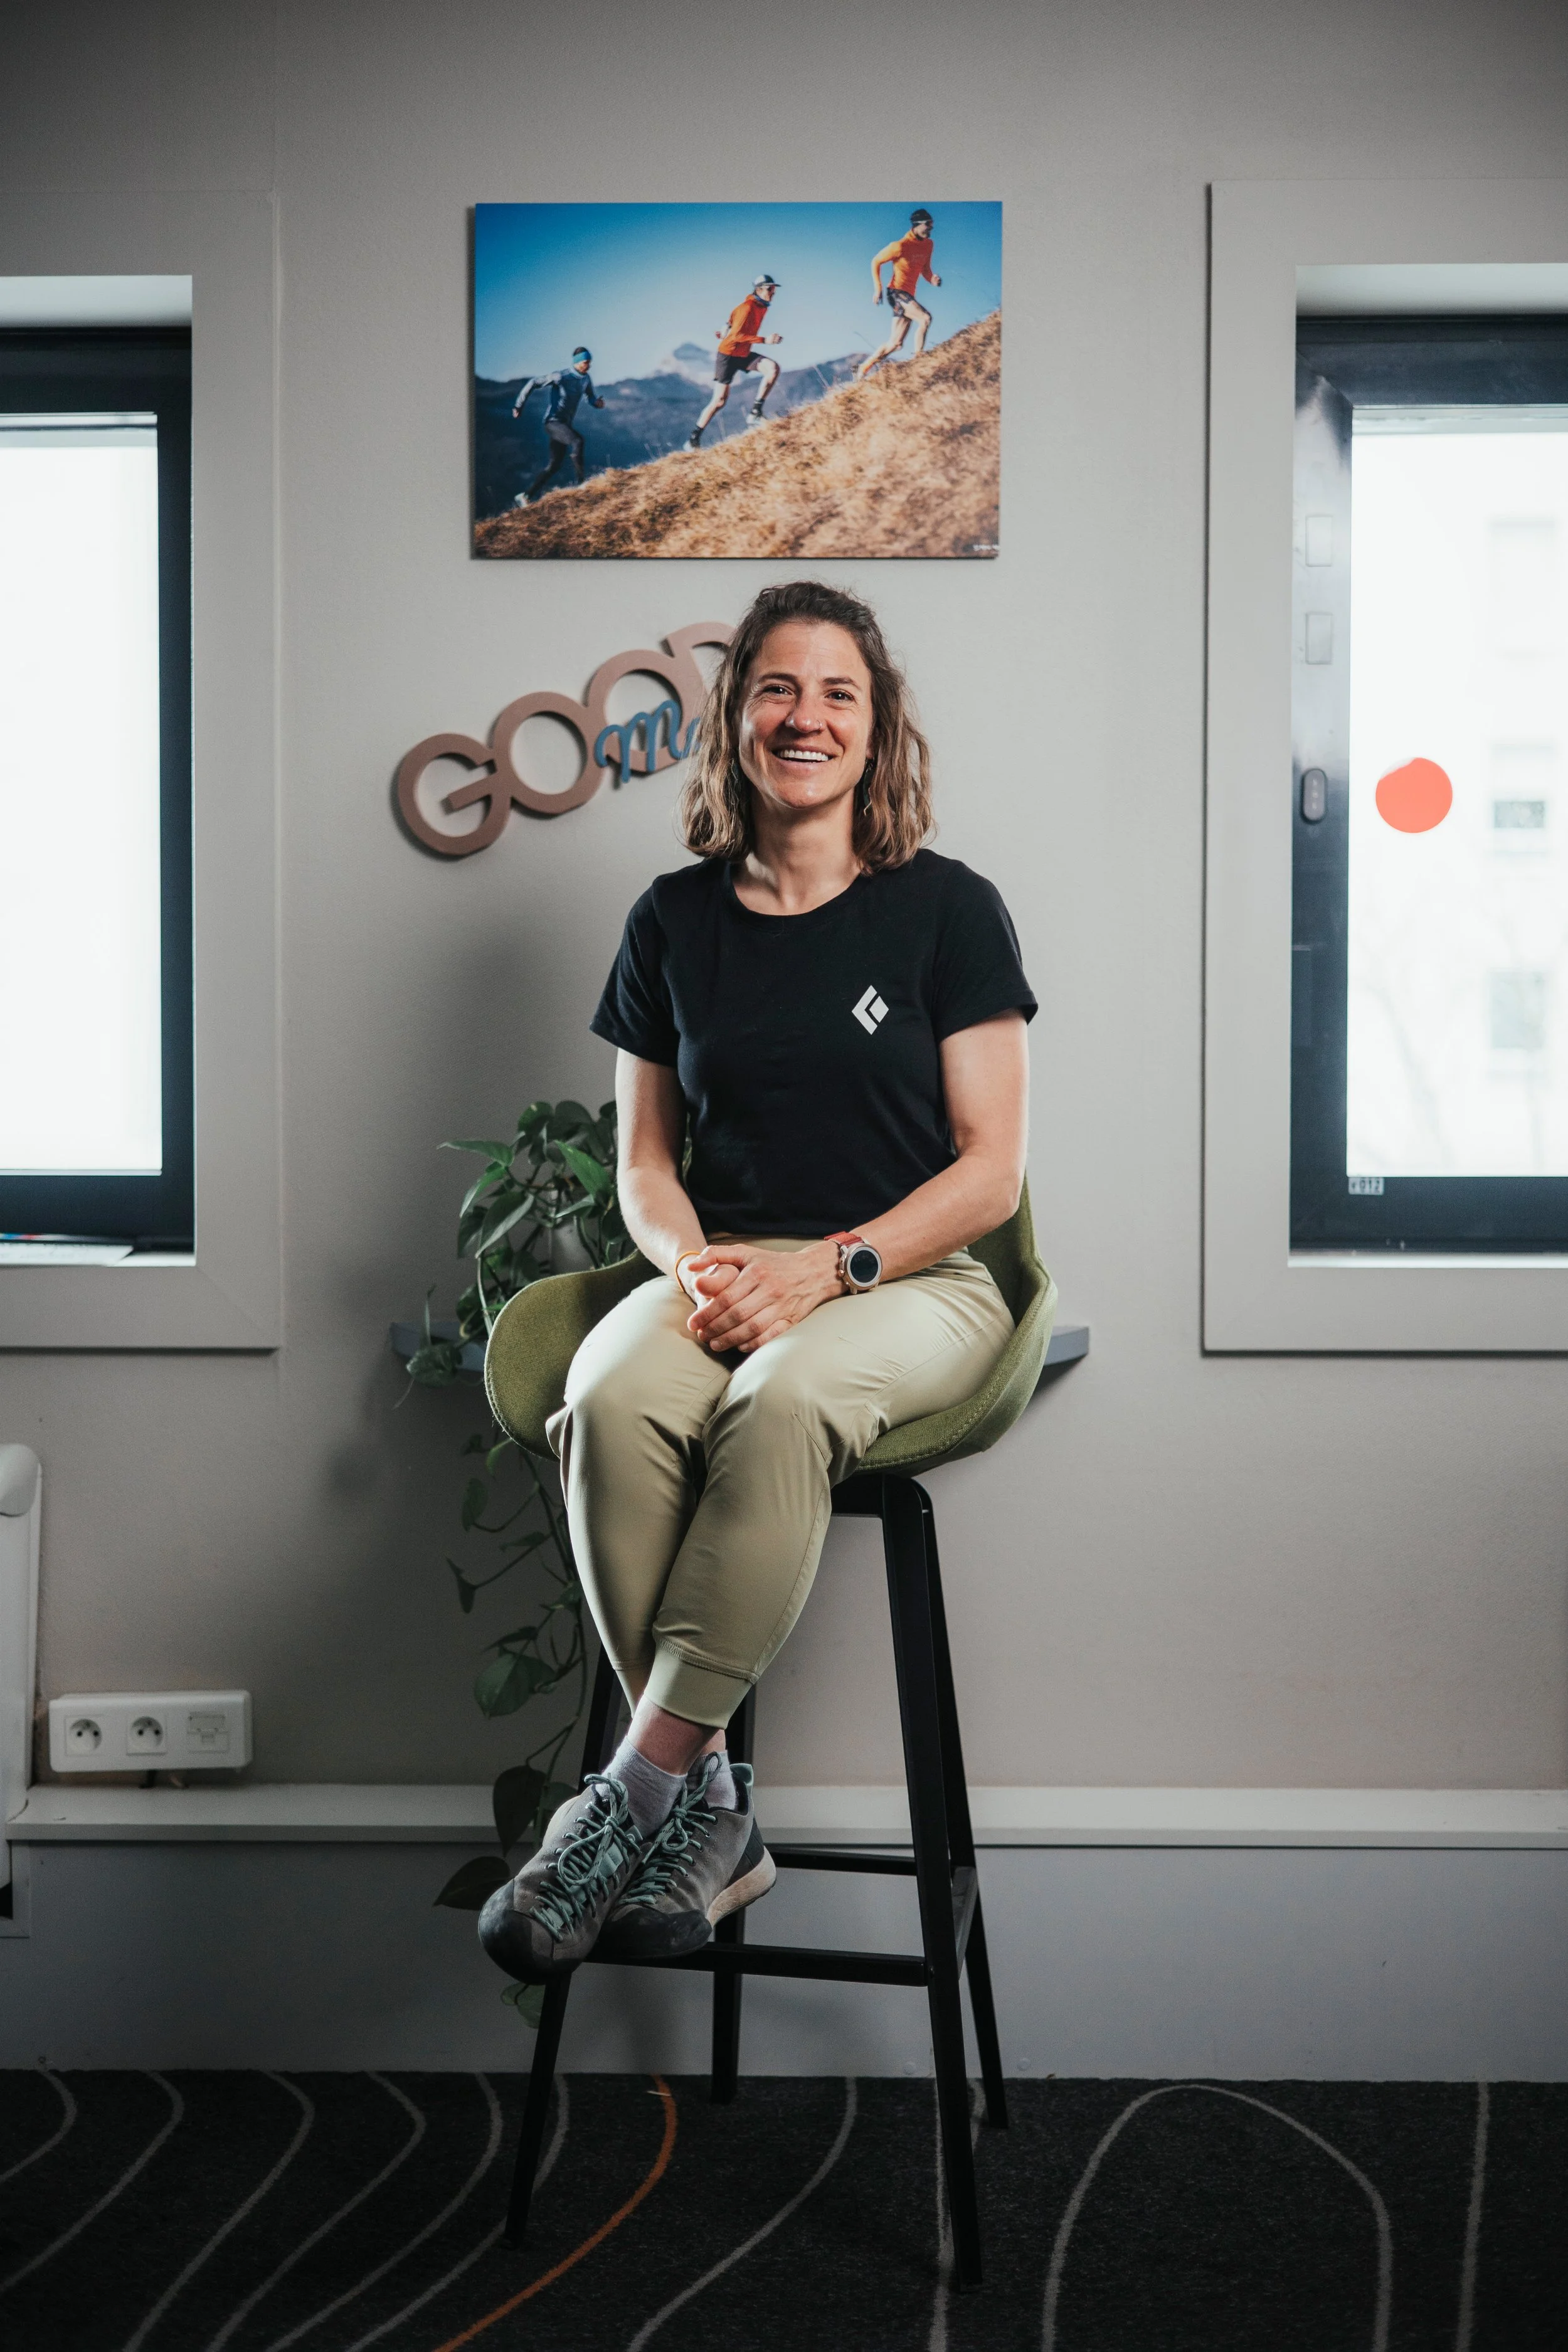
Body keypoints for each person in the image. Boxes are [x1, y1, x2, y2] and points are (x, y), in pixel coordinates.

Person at [479, 579, 1037, 1986]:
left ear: (876, 727)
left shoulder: (946, 912)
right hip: (724, 1275)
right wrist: (697, 1269)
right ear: (735, 723)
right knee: (604, 1398)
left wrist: (826, 1269)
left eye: (837, 692)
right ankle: (716, 1803)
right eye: (778, 689)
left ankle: (633, 1795)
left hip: (911, 1281)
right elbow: (644, 1166)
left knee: (780, 1404)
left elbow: (989, 1176)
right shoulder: (671, 921)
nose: (806, 716)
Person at [686, 275, 783, 448]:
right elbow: (737, 335)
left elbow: (732, 320)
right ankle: (693, 439)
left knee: (773, 368)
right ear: (759, 290)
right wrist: (764, 340)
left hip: (743, 353)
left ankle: (755, 412)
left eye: (774, 289)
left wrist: (725, 328)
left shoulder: (761, 306)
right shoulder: (748, 307)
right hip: (728, 356)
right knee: (719, 401)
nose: (773, 292)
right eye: (770, 289)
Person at [854, 209, 943, 380]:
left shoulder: (928, 245)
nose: (931, 229)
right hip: (896, 293)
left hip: (908, 296)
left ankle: (863, 368)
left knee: (896, 344)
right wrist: (878, 288)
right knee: (925, 318)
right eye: (928, 224)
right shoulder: (899, 246)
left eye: (932, 224)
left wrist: (932, 279)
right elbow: (876, 261)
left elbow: (925, 270)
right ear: (917, 225)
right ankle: (919, 361)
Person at [511, 346, 605, 504]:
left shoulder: (586, 379)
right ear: (577, 363)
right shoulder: (561, 376)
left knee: (554, 466)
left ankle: (525, 496)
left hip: (564, 425)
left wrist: (597, 403)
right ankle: (582, 484)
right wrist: (518, 406)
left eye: (589, 362)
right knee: (578, 441)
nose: (589, 365)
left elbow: (590, 397)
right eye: (585, 362)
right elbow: (534, 383)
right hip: (552, 422)